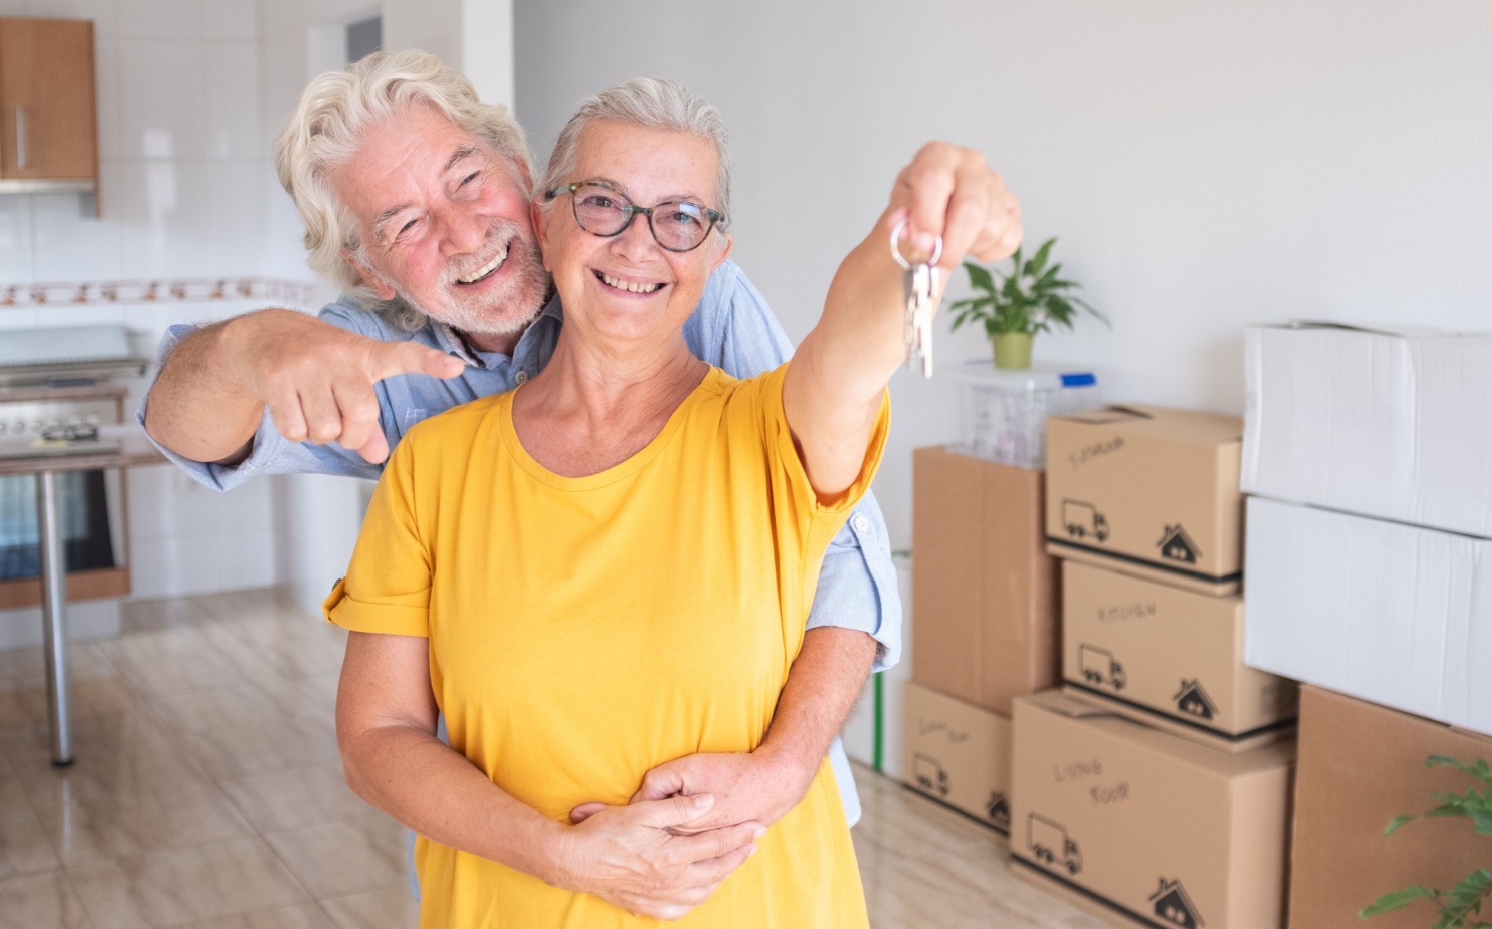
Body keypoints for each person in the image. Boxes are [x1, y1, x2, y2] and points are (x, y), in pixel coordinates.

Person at [138, 52, 920, 872]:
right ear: (370, 271)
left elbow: (835, 539)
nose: (464, 233)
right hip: (517, 843)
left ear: (522, 172)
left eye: (468, 181)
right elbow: (182, 426)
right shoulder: (377, 363)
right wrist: (244, 345)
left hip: (738, 822)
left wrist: (784, 769)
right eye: (404, 224)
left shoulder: (673, 280)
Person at [328, 78, 1019, 929]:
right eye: (604, 203)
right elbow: (375, 738)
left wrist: (916, 236)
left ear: (716, 250)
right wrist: (562, 854)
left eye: (680, 217)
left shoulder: (772, 433)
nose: (638, 244)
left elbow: (848, 349)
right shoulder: (434, 465)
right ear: (546, 220)